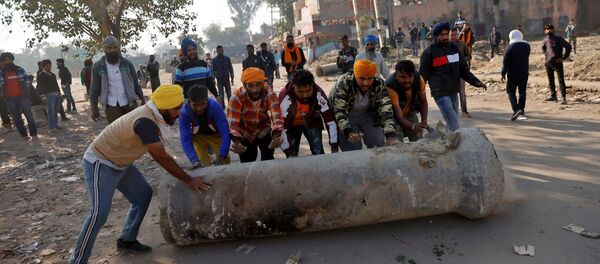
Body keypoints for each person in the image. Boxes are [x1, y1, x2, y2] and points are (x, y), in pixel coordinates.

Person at [68, 85, 212, 264]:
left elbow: (164, 153)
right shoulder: (145, 122)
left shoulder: (154, 114)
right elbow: (160, 156)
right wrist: (189, 180)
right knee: (99, 213)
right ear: (164, 107)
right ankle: (77, 260)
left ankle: (127, 240)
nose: (179, 112)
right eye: (176, 108)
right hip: (100, 162)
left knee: (143, 195)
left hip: (121, 163)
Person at [419, 22, 487, 132]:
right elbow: (421, 78)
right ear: (436, 36)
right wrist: (416, 96)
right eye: (442, 35)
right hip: (440, 93)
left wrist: (476, 82)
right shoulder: (429, 52)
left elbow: (463, 70)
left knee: (451, 125)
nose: (445, 37)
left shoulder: (454, 48)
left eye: (446, 34)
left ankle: (445, 143)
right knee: (454, 125)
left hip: (454, 91)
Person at [330, 60, 397, 151]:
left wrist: (390, 135)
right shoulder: (344, 83)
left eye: (369, 79)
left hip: (367, 115)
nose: (365, 83)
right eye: (361, 78)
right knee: (353, 149)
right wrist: (349, 132)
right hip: (348, 116)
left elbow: (386, 109)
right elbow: (340, 113)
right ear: (355, 75)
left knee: (379, 143)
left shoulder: (379, 84)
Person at [227, 67, 284, 163]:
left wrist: (276, 137)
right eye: (250, 86)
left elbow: (277, 118)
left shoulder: (269, 94)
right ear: (244, 85)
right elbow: (232, 125)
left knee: (268, 157)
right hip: (245, 131)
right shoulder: (236, 97)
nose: (255, 90)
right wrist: (238, 143)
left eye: (258, 85)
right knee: (248, 161)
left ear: (263, 83)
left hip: (263, 129)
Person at [279, 69, 338, 157]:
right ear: (294, 87)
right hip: (291, 126)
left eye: (308, 91)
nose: (305, 95)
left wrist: (334, 146)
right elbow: (283, 127)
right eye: (301, 92)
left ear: (312, 86)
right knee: (292, 154)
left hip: (312, 122)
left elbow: (330, 120)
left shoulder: (318, 92)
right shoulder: (285, 96)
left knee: (318, 152)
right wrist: (287, 151)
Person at [90, 36, 145, 124]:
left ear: (118, 48)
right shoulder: (98, 66)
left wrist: (142, 98)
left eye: (115, 47)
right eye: (109, 48)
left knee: (132, 131)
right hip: (111, 106)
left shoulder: (127, 64)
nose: (112, 50)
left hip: (129, 103)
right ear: (105, 50)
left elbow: (135, 83)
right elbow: (94, 88)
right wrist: (94, 108)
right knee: (116, 133)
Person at [179, 84, 230, 168]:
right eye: (195, 105)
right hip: (198, 136)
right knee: (202, 163)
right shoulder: (184, 113)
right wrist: (194, 160)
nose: (199, 108)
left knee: (225, 161)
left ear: (207, 100)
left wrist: (222, 155)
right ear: (189, 102)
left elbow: (225, 132)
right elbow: (185, 139)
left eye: (202, 104)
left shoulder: (215, 107)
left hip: (215, 135)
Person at [386, 60, 428, 142]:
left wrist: (424, 122)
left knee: (416, 140)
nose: (407, 80)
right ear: (396, 75)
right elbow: (399, 117)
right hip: (393, 116)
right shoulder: (390, 86)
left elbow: (423, 101)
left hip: (410, 112)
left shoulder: (419, 80)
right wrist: (413, 126)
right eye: (403, 77)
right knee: (398, 142)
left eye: (410, 76)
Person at [0, 52, 37, 138]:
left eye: (9, 60)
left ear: (12, 60)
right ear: (3, 62)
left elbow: (27, 81)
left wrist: (26, 94)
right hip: (10, 99)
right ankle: (24, 135)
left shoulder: (20, 69)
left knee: (29, 116)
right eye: (5, 60)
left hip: (22, 97)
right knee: (16, 118)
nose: (8, 62)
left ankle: (34, 133)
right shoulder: (1, 73)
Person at [502, 29, 531, 121]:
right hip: (524, 72)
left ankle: (516, 108)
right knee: (522, 91)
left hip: (512, 73)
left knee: (510, 91)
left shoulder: (509, 47)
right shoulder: (527, 46)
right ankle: (521, 109)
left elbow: (505, 62)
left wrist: (503, 73)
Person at [542, 24, 572, 104]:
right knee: (550, 80)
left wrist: (563, 58)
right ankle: (553, 96)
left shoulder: (558, 38)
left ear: (553, 30)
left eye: (550, 29)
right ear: (545, 31)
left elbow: (568, 47)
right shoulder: (545, 39)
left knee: (561, 80)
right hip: (548, 63)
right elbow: (543, 48)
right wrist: (546, 55)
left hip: (557, 63)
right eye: (547, 29)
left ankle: (563, 97)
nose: (548, 30)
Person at [450, 28, 472, 118]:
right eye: (451, 35)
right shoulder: (446, 45)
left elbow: (469, 56)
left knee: (462, 92)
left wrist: (462, 60)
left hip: (461, 71)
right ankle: (452, 112)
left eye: (455, 35)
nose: (453, 37)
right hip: (449, 73)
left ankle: (464, 111)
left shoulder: (462, 44)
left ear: (457, 35)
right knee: (451, 92)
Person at [36, 60, 62, 130]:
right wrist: (42, 96)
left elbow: (56, 84)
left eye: (50, 66)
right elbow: (40, 86)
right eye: (47, 66)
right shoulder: (40, 75)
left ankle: (55, 125)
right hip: (48, 95)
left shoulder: (52, 75)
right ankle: (52, 127)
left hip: (56, 94)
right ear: (43, 67)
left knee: (56, 111)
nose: (49, 67)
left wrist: (59, 93)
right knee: (51, 112)